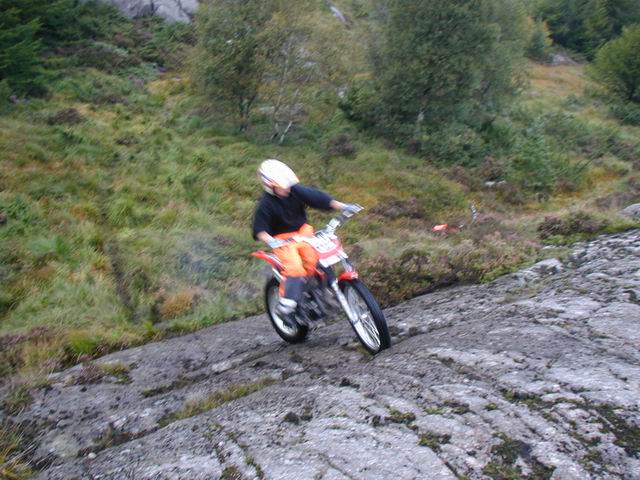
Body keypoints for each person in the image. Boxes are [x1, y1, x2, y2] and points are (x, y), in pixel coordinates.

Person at [252, 159, 357, 327]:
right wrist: (271, 241)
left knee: (316, 258)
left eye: (288, 185)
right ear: (270, 186)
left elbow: (318, 198)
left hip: (303, 233)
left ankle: (322, 291)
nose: (286, 189)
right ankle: (286, 308)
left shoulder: (295, 191)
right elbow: (260, 229)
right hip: (282, 240)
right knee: (294, 267)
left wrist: (343, 206)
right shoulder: (265, 204)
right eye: (281, 186)